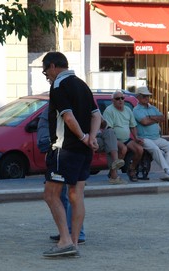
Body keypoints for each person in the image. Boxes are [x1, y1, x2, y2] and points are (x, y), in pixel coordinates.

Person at [41, 52, 101, 258]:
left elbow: (67, 116)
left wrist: (84, 136)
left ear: (52, 66)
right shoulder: (83, 84)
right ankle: (74, 241)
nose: (46, 75)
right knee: (76, 195)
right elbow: (96, 114)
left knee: (51, 194)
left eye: (45, 71)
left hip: (64, 149)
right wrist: (91, 138)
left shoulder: (59, 85)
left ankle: (65, 240)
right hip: (83, 151)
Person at [37, 106, 86, 244]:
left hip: (62, 152)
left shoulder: (57, 105)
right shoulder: (77, 103)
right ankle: (69, 233)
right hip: (70, 151)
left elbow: (45, 135)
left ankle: (70, 235)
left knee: (62, 195)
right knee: (70, 194)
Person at [133, 86, 169, 181]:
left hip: (156, 138)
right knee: (156, 149)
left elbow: (162, 118)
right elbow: (144, 122)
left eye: (147, 96)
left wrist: (150, 117)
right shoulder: (136, 110)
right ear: (138, 97)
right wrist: (155, 118)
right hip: (144, 138)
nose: (147, 98)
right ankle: (168, 171)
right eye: (144, 96)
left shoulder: (152, 107)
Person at [103, 90, 144, 182]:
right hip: (114, 138)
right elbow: (108, 129)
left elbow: (132, 126)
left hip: (126, 139)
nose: (120, 100)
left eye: (122, 98)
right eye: (117, 98)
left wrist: (136, 137)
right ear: (112, 100)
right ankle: (114, 172)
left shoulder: (128, 110)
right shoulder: (109, 110)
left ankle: (131, 168)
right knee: (123, 149)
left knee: (140, 149)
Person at [96, 118, 126, 185]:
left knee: (110, 131)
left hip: (102, 135)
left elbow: (105, 125)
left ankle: (116, 162)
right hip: (90, 136)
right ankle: (114, 176)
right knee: (110, 143)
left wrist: (101, 121)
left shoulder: (95, 110)